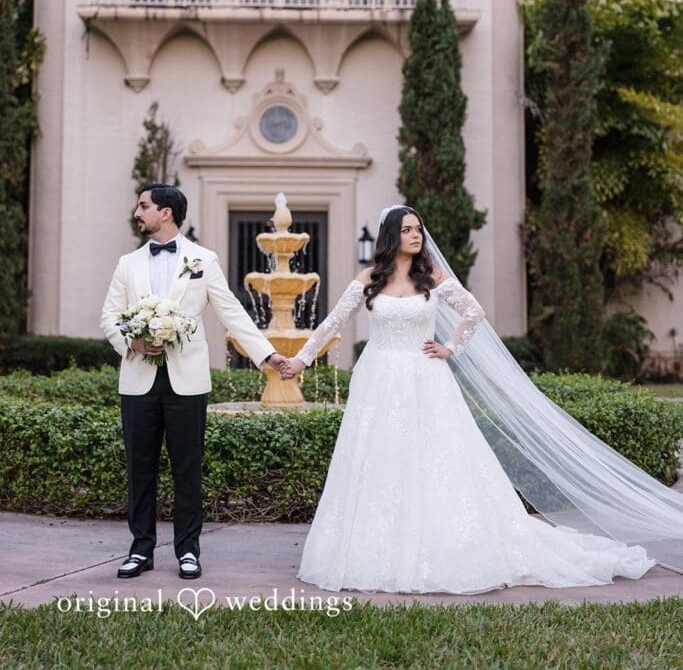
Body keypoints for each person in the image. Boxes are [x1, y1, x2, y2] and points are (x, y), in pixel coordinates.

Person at [279, 205, 656, 594]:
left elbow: (473, 311)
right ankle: (372, 551)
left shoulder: (434, 277)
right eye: (407, 230)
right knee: (378, 459)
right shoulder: (368, 280)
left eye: (418, 229)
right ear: (391, 235)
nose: (416, 236)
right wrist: (301, 359)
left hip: (426, 377)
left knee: (438, 458)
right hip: (378, 380)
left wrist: (451, 347)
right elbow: (331, 323)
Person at [101, 184, 285, 581]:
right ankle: (140, 549)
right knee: (139, 468)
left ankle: (188, 551)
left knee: (187, 468)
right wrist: (131, 340)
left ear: (165, 213)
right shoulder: (127, 263)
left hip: (188, 382)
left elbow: (231, 311)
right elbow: (109, 316)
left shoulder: (204, 259)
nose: (138, 212)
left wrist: (267, 355)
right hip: (138, 379)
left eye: (144, 206)